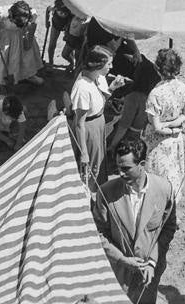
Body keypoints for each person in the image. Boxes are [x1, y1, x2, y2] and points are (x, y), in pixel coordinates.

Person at [93, 137, 177, 304]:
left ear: (142, 164)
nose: (120, 174)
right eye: (118, 168)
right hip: (117, 276)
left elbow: (167, 229)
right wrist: (122, 259)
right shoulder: (106, 192)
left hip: (148, 278)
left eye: (126, 168)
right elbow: (98, 233)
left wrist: (152, 263)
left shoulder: (164, 189)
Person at [143, 48, 185, 201]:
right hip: (176, 140)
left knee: (157, 178)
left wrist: (166, 126)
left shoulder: (155, 94)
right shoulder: (184, 88)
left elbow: (156, 126)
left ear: (158, 68)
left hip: (158, 143)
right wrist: (173, 126)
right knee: (174, 175)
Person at [65, 46, 112, 188]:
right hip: (89, 131)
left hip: (98, 126)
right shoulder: (82, 87)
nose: (111, 67)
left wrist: (113, 88)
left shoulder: (99, 78)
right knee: (89, 166)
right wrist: (84, 152)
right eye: (109, 64)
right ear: (98, 65)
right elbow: (80, 124)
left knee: (98, 162)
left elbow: (98, 103)